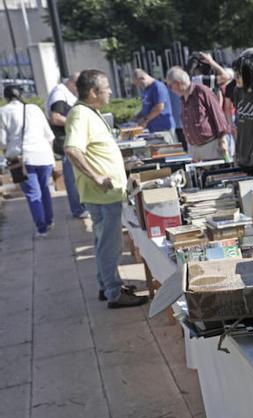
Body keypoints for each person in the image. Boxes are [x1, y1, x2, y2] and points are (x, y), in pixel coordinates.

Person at [64, 70, 147, 308]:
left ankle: (107, 284)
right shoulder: (81, 114)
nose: (110, 91)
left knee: (104, 241)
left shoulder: (89, 112)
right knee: (110, 244)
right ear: (92, 92)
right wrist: (98, 176)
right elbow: (72, 149)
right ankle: (113, 292)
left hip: (104, 192)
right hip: (102, 193)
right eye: (106, 87)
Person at [1, 85, 56, 237]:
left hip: (22, 158)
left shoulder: (3, 112)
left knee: (33, 194)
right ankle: (49, 221)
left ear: (6, 97)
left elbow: (2, 141)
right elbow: (49, 135)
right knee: (45, 189)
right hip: (43, 155)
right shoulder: (34, 109)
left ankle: (41, 229)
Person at [45, 73, 88, 219]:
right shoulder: (60, 94)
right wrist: (75, 123)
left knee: (75, 176)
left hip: (69, 140)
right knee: (72, 178)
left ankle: (80, 207)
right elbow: (55, 118)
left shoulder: (64, 92)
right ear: (72, 83)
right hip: (65, 141)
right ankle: (78, 209)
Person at [166, 67, 229, 162]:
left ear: (178, 83)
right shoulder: (183, 99)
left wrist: (222, 141)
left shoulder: (202, 91)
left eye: (170, 86)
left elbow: (218, 115)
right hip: (195, 149)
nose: (170, 89)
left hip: (211, 145)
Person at [132, 68, 175, 135]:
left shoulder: (157, 87)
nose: (139, 87)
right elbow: (147, 108)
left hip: (163, 128)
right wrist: (137, 116)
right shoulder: (146, 89)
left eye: (139, 84)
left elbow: (159, 108)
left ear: (142, 78)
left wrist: (145, 120)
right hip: (153, 129)